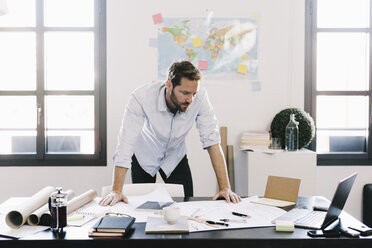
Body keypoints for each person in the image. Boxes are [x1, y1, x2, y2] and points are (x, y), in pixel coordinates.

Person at [100, 61, 241, 206]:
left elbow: (212, 141)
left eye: (194, 94)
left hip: (175, 157)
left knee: (186, 206)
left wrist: (225, 188)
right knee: (142, 208)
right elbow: (126, 143)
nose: (190, 100)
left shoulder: (200, 98)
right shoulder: (141, 97)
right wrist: (116, 190)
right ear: (169, 85)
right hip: (144, 156)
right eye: (185, 93)